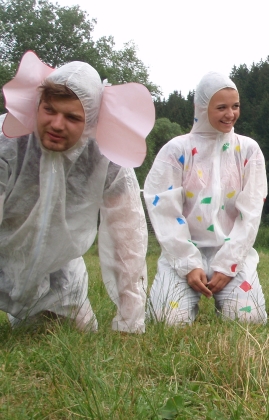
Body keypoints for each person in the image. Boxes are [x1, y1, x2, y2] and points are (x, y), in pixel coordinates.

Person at [0, 50, 154, 333]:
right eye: (49, 110)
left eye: (72, 117)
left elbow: (128, 240)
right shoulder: (7, 142)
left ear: (92, 122)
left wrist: (130, 322)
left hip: (57, 265)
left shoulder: (107, 159)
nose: (57, 124)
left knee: (76, 332)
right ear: (37, 105)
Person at [145, 71, 268, 325]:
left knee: (249, 319)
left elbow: (251, 212)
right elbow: (164, 210)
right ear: (201, 108)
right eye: (221, 107)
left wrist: (229, 263)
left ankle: (230, 298)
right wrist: (188, 263)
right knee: (166, 321)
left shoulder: (248, 150)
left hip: (232, 253)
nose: (230, 114)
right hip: (183, 253)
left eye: (235, 106)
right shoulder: (176, 150)